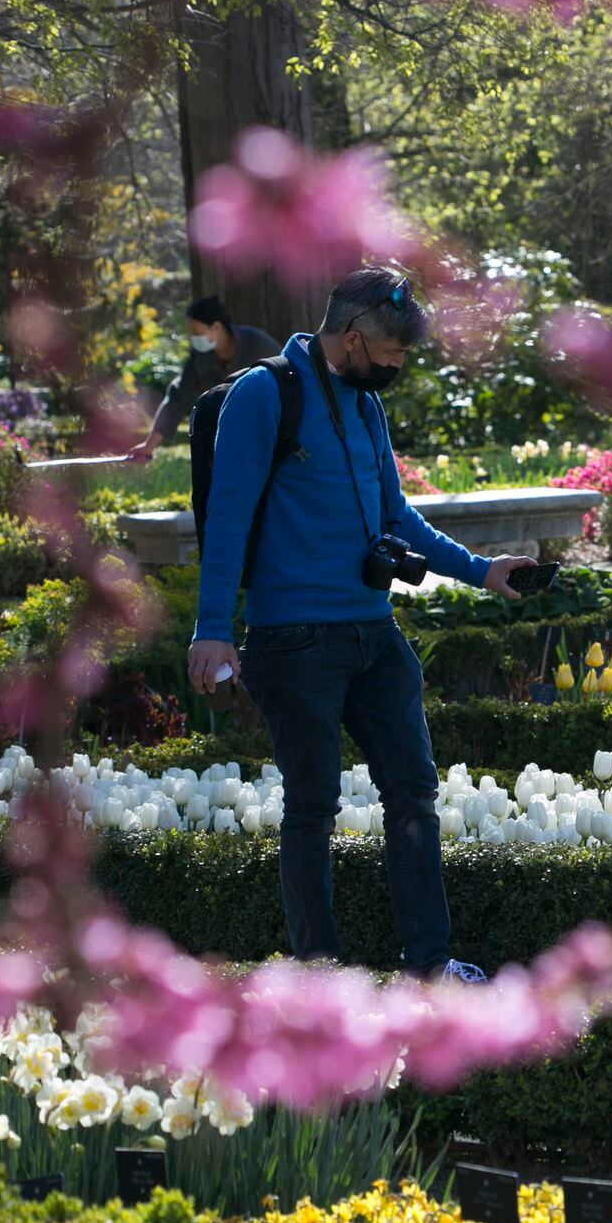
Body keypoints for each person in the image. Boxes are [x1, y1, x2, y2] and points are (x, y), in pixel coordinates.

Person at [185, 266, 534, 982]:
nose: (399, 369)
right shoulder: (263, 394)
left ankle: (430, 965)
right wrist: (211, 628)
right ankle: (317, 978)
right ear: (350, 337)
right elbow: (227, 519)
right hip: (293, 640)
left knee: (414, 794)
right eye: (392, 355)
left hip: (375, 635)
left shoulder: (365, 403)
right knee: (312, 807)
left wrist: (479, 568)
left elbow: (396, 515)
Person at [128, 295, 280, 461]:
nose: (193, 338)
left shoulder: (258, 344)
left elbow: (286, 379)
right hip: (228, 434)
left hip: (270, 426)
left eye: (197, 333)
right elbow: (177, 399)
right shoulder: (199, 358)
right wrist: (149, 445)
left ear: (216, 328)